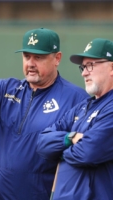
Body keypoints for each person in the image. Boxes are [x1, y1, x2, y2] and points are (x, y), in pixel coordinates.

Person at [0, 27, 89, 200]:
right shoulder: (6, 89)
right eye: (26, 56)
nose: (30, 63)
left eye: (38, 57)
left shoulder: (76, 99)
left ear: (57, 58)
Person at [37, 38, 113, 200]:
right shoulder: (82, 106)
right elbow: (42, 142)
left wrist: (60, 152)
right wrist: (69, 138)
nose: (85, 72)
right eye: (83, 67)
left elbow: (89, 151)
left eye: (91, 65)